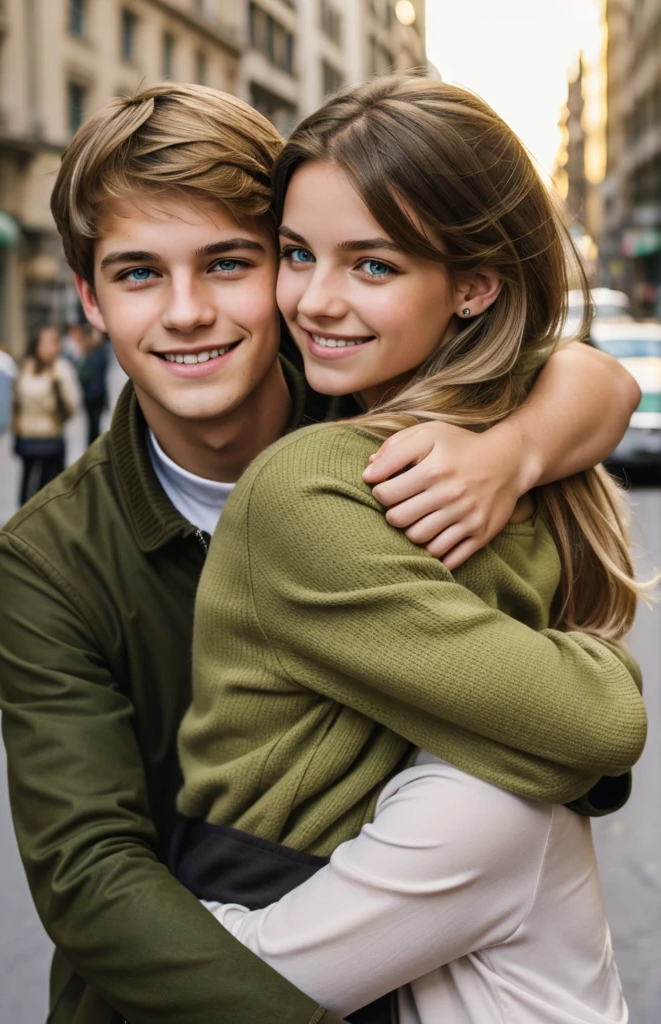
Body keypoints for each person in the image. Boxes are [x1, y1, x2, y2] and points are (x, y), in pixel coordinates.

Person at [0, 83, 641, 1024]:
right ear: (88, 297)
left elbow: (585, 373)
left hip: (419, 964)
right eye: (137, 274)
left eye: (230, 262)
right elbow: (90, 876)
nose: (187, 313)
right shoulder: (48, 555)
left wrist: (514, 450)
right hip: (201, 990)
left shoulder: (378, 415)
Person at [175, 76, 651, 1022]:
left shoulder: (352, 471)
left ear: (474, 284)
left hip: (308, 902)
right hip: (326, 908)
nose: (314, 301)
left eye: (373, 266)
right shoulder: (449, 439)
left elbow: (601, 728)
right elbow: (593, 727)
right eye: (298, 254)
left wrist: (514, 452)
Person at [13, 325, 80, 504]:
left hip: (47, 436)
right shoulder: (30, 368)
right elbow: (72, 406)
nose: (47, 348)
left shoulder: (56, 369)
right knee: (36, 484)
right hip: (37, 436)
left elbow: (72, 405)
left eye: (51, 343)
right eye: (44, 343)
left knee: (42, 484)